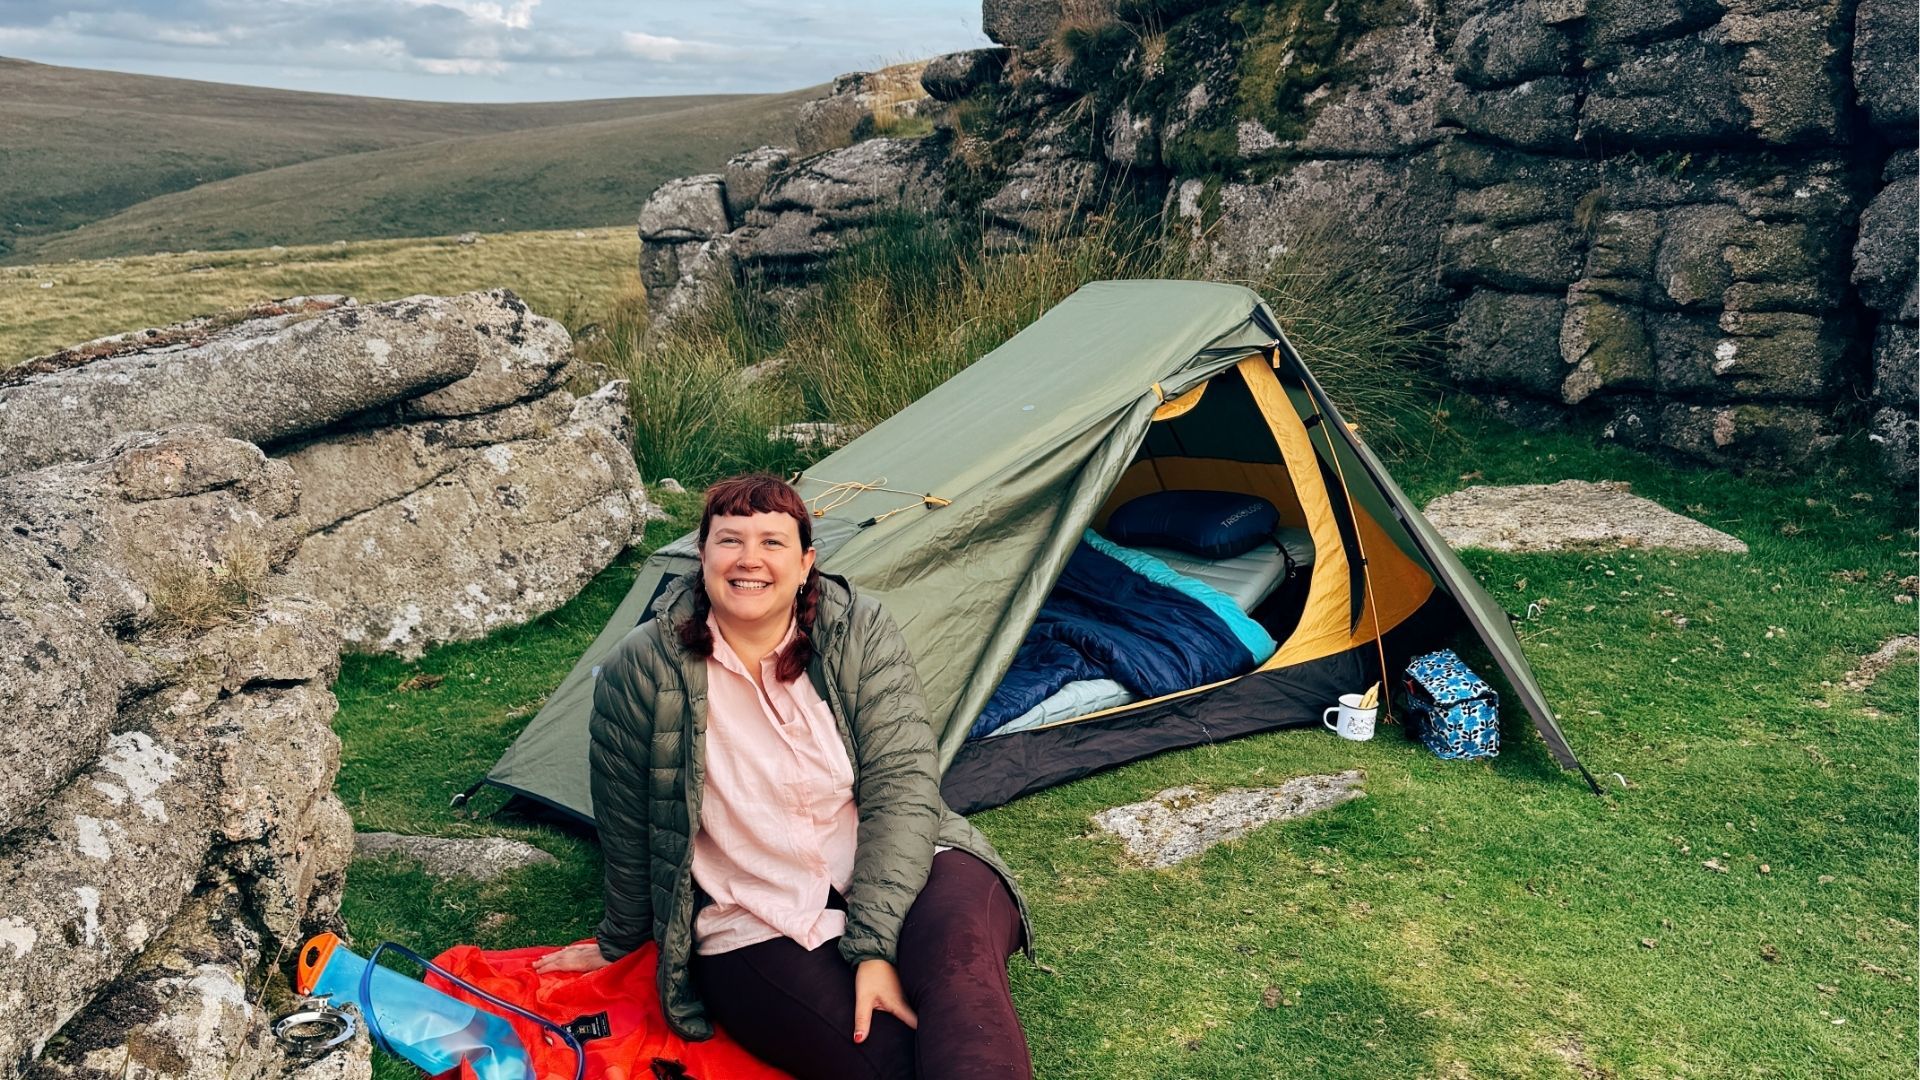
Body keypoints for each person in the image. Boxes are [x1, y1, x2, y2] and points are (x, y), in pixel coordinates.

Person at [533, 474, 1034, 1079]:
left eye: (773, 542)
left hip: (915, 858)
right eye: (729, 540)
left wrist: (874, 948)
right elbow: (626, 819)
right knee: (888, 1060)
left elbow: (901, 786)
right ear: (701, 556)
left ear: (806, 564)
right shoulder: (640, 668)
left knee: (962, 992)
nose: (749, 560)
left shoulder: (859, 632)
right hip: (754, 911)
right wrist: (621, 939)